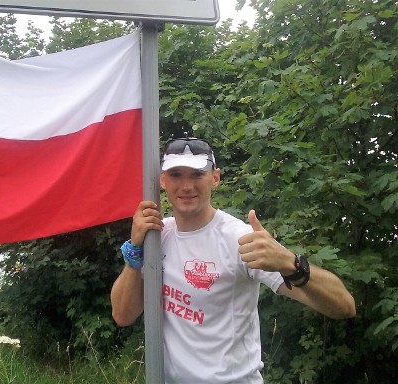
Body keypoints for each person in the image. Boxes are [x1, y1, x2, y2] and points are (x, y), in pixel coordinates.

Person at [110, 137, 356, 384]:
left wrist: (290, 263)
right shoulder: (157, 236)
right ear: (163, 180)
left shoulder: (239, 239)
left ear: (215, 178)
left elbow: (344, 306)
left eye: (197, 174)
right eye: (175, 174)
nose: (186, 186)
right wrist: (135, 251)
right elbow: (123, 315)